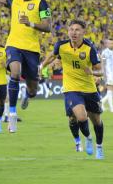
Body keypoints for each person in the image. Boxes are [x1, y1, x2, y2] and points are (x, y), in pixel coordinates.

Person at [0, 0, 52, 133]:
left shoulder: (41, 4)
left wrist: (31, 23)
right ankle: (12, 114)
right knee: (15, 72)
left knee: (33, 90)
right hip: (13, 45)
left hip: (32, 50)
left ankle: (27, 95)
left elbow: (47, 26)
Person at [41, 20, 105, 159]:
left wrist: (92, 72)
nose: (74, 32)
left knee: (97, 122)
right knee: (80, 117)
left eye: (77, 30)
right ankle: (87, 138)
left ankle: (99, 146)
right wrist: (41, 67)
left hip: (89, 89)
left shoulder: (89, 48)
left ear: (83, 32)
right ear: (68, 31)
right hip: (71, 88)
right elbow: (52, 55)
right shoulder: (61, 46)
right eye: (71, 29)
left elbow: (101, 71)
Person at [100, 38, 113, 112]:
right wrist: (104, 74)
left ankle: (102, 101)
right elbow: (103, 63)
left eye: (112, 43)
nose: (111, 44)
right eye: (109, 43)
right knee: (110, 90)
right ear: (107, 44)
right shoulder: (104, 53)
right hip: (109, 73)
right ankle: (112, 108)